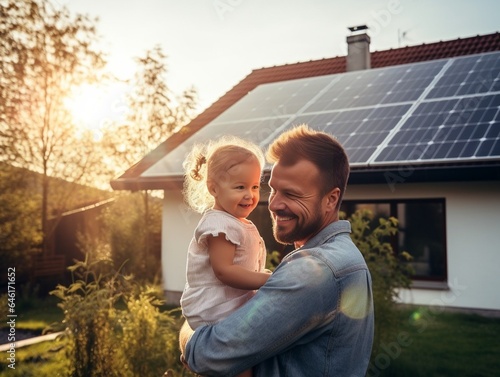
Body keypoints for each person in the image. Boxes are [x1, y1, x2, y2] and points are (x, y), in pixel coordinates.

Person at [180, 124, 374, 377]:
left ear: (331, 200)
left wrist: (187, 331)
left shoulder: (316, 271)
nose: (273, 204)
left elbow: (207, 355)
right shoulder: (341, 257)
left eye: (292, 194)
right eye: (273, 189)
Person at [180, 136, 272, 377]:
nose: (250, 195)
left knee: (245, 360)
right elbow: (225, 271)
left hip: (227, 305)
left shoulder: (237, 223)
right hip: (216, 307)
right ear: (213, 188)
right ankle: (205, 359)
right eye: (240, 187)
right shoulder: (219, 224)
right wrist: (265, 280)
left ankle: (204, 361)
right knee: (240, 364)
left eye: (254, 187)